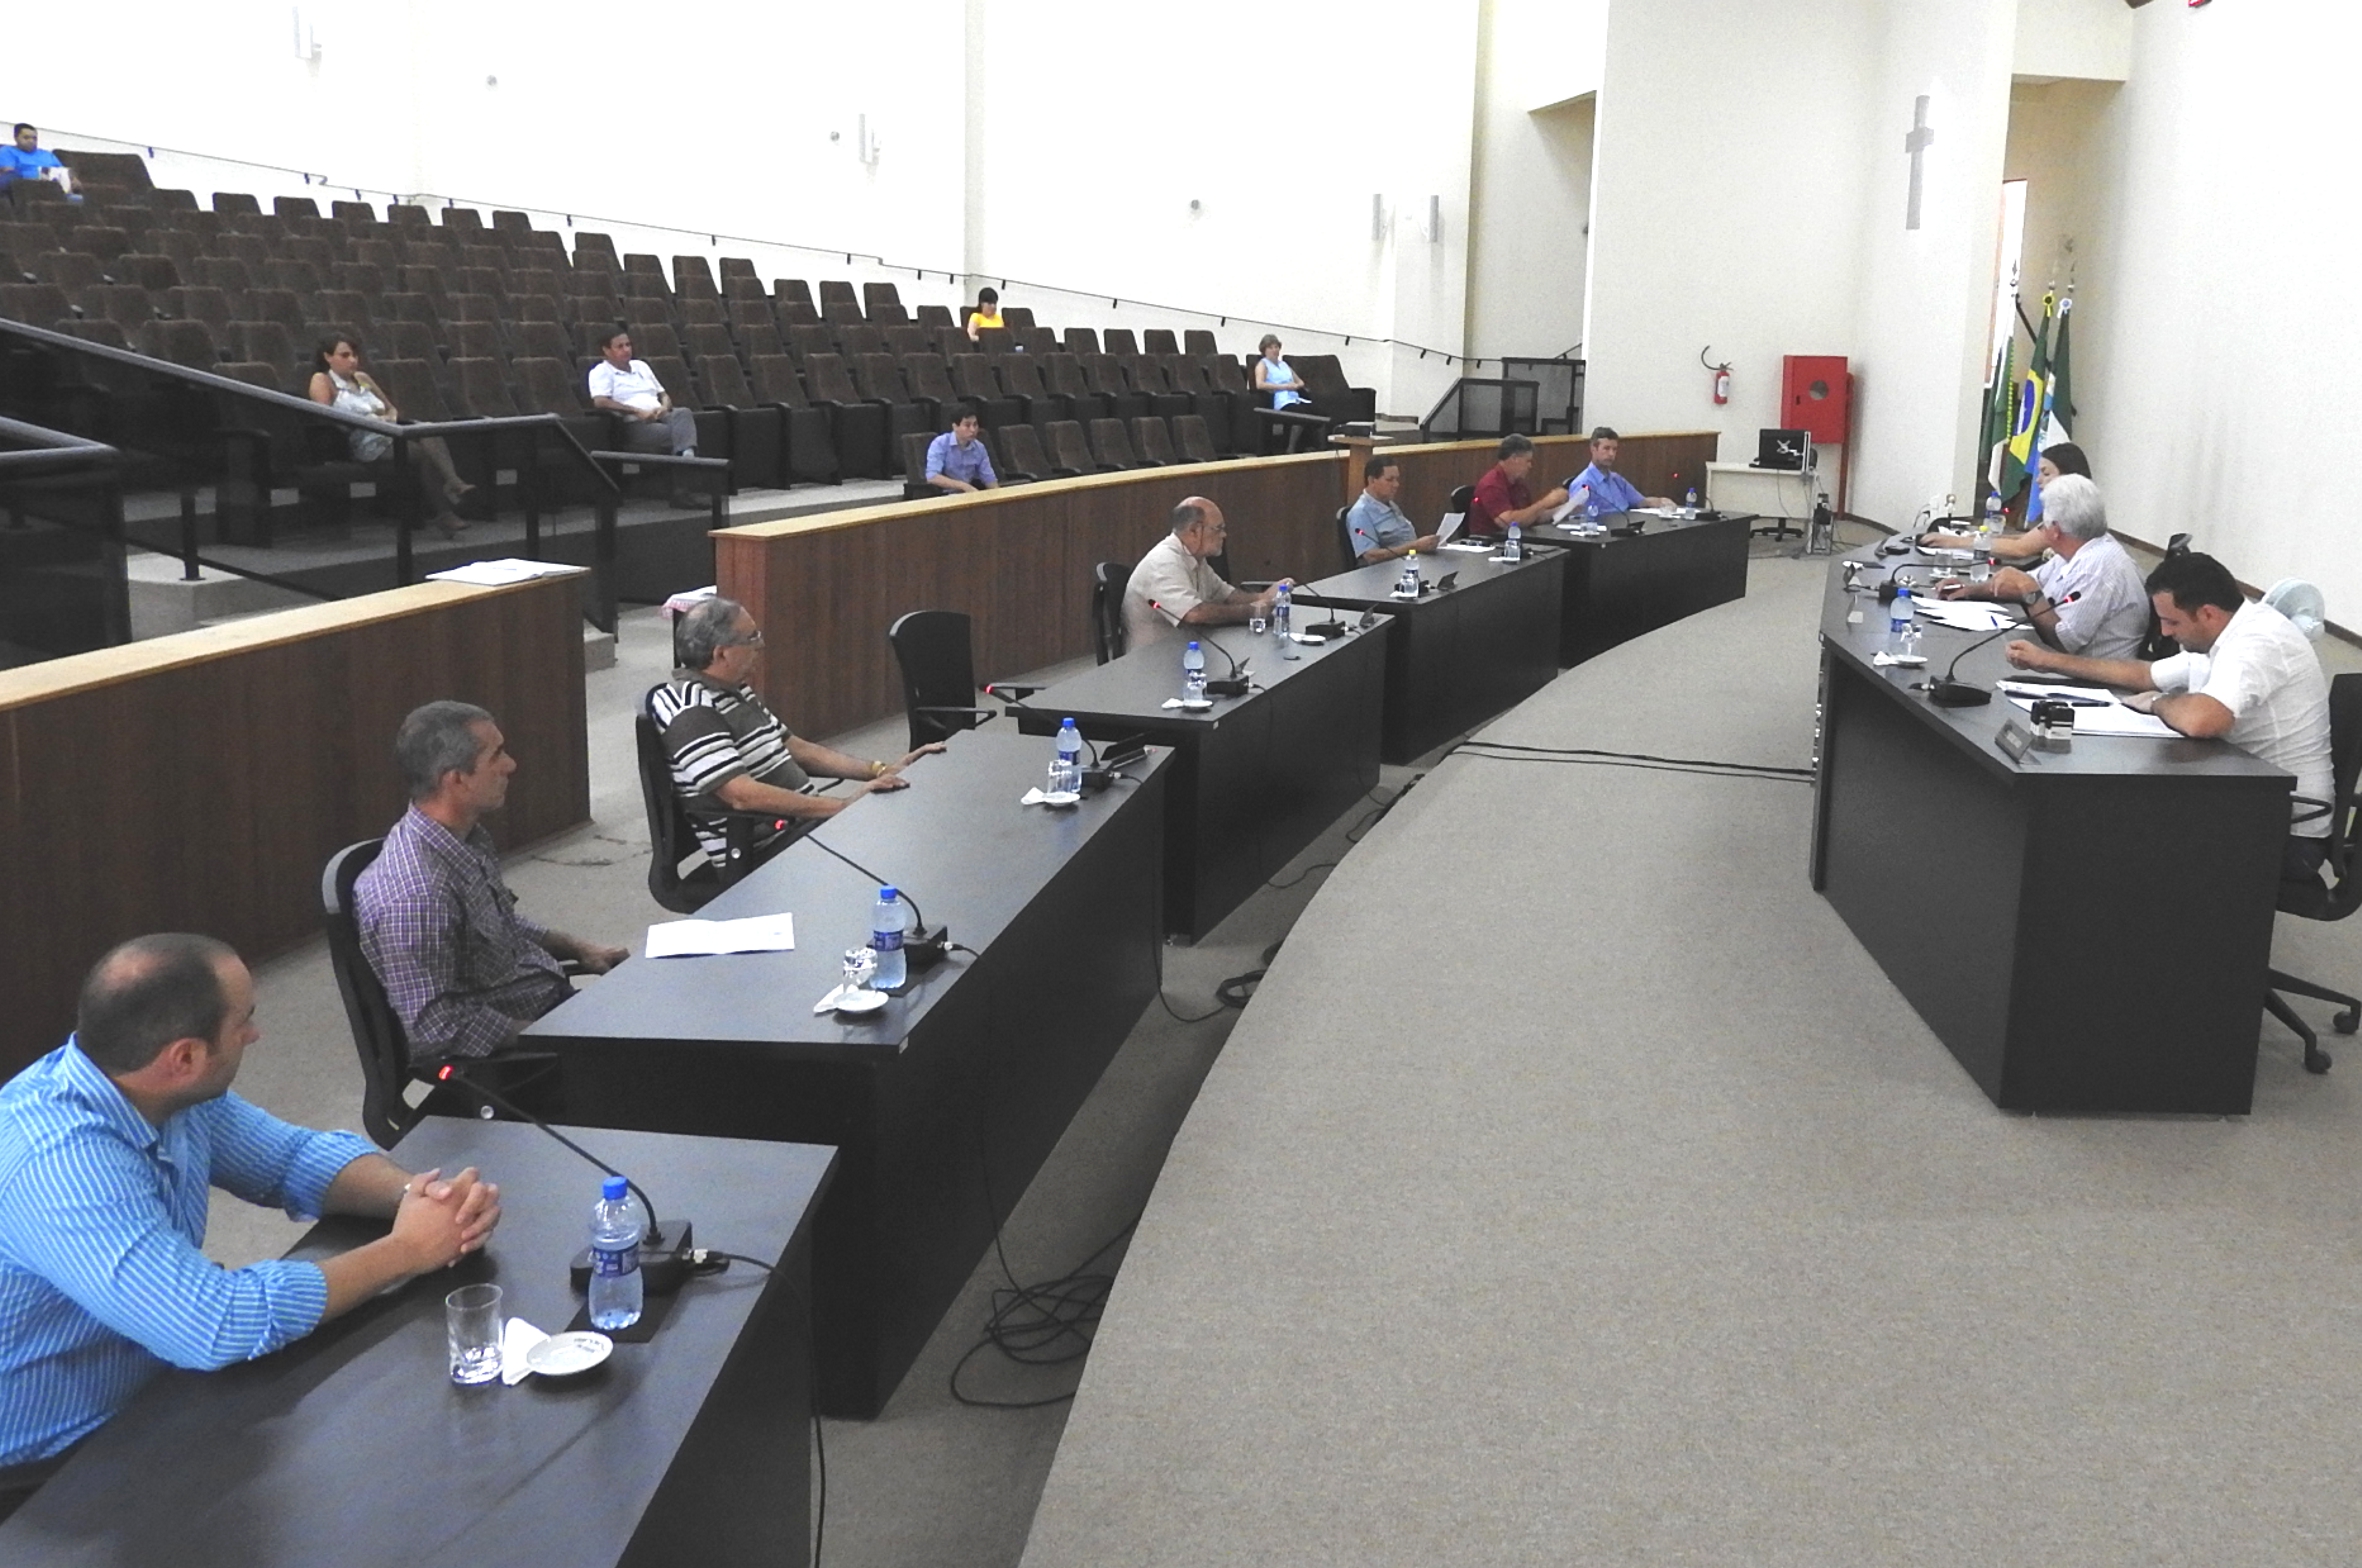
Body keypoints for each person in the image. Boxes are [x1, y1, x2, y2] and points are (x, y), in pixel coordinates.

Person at [0, 934, 501, 1512]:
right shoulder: (61, 1167)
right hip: (49, 1465)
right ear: (185, 1057)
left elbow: (291, 1160)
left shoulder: (162, 1089)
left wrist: (420, 1196)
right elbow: (213, 1323)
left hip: (151, 1378)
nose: (256, 1034)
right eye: (244, 1021)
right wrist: (407, 1250)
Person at [2005, 550, 2334, 883]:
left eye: (2172, 622)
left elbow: (2202, 720)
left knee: (2115, 836)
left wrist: (2159, 703)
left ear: (2207, 613)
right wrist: (2048, 661)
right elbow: (2144, 675)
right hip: (2242, 801)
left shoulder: (2258, 643)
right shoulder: (2220, 633)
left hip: (2286, 832)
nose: (2163, 632)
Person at [353, 702, 629, 1065]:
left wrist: (578, 947)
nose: (510, 765)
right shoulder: (416, 896)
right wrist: (549, 1034)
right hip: (521, 1050)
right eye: (496, 755)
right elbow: (434, 1027)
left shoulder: (463, 838)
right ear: (456, 779)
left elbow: (495, 926)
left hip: (548, 1005)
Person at [654, 598, 944, 868]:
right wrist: (841, 807)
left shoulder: (734, 689)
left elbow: (795, 748)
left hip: (800, 827)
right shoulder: (691, 709)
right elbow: (742, 796)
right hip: (765, 849)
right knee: (907, 840)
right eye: (751, 638)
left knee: (912, 816)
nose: (761, 645)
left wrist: (880, 770)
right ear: (721, 653)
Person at [1935, 474, 2149, 660]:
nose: (2041, 530)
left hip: (2093, 682)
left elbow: (2064, 643)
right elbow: (2021, 584)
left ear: (2055, 530)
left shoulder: (2097, 568)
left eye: (2042, 525)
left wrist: (2029, 590)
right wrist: (1969, 590)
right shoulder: (2078, 550)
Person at [307, 337, 472, 539]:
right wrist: (370, 421)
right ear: (328, 357)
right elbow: (326, 417)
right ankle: (447, 504)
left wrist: (388, 418)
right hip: (362, 441)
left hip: (389, 431)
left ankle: (452, 485)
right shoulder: (322, 380)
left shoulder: (362, 378)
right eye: (345, 355)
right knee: (422, 455)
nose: (352, 360)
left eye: (354, 355)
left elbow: (391, 408)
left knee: (429, 432)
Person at [1122, 496, 1291, 653]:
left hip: (1184, 653)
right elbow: (1194, 614)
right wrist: (1253, 611)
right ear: (1194, 531)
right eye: (1218, 529)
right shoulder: (1163, 562)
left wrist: (1265, 596)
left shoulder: (1196, 558)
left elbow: (1227, 596)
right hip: (1153, 661)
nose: (1224, 535)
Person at [1926, 442, 2093, 560]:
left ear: (2069, 476)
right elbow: (2026, 539)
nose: (2038, 480)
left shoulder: (2072, 513)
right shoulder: (2070, 506)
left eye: (2046, 473)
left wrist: (1952, 541)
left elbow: (2020, 549)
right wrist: (1978, 537)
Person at [588, 329, 698, 459]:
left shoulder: (641, 366)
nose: (626, 350)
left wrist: (664, 407)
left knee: (684, 412)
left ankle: (686, 455)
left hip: (660, 414)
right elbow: (600, 401)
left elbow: (663, 394)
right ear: (606, 350)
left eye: (628, 345)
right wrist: (637, 411)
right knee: (679, 433)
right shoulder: (600, 372)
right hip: (636, 423)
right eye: (620, 346)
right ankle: (686, 457)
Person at [1465, 433, 1570, 538]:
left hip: (1515, 538)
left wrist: (1565, 509)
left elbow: (1530, 517)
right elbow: (1508, 523)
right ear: (1514, 459)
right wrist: (1546, 502)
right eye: (1527, 461)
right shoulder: (1491, 485)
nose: (1530, 466)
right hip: (1492, 541)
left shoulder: (1518, 484)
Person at [1345, 455, 1438, 564]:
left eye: (1396, 479)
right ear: (1372, 480)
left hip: (1410, 562)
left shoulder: (1390, 504)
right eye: (1389, 480)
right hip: (1386, 570)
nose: (1396, 485)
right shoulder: (1360, 513)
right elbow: (1371, 556)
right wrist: (1415, 546)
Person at [1568, 425, 1674, 513]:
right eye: (1606, 448)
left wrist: (1661, 502)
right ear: (1593, 449)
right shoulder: (1584, 483)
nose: (1611, 454)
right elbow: (1579, 519)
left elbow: (1641, 502)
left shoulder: (1616, 479)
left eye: (1614, 449)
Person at [924, 405, 998, 493]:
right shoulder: (940, 443)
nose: (973, 430)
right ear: (955, 426)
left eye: (975, 425)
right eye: (967, 425)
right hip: (945, 494)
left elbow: (989, 478)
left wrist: (999, 495)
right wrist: (964, 486)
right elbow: (932, 476)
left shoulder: (979, 447)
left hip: (969, 494)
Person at [0, 124, 67, 193]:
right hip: (26, 189)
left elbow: (63, 173)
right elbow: (9, 174)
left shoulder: (47, 154)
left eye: (34, 138)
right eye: (26, 138)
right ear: (16, 138)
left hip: (54, 189)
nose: (31, 141)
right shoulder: (7, 151)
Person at [1252, 335, 1310, 411]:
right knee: (1301, 411)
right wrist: (1284, 386)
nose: (1274, 350)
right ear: (1264, 350)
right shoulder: (1263, 364)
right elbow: (1260, 385)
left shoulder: (1284, 364)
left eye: (1276, 347)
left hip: (1296, 398)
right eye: (1270, 348)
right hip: (1282, 401)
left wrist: (1295, 386)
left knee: (1318, 409)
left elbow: (1300, 382)